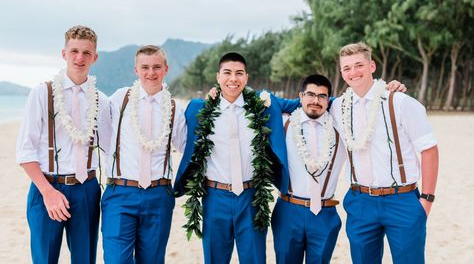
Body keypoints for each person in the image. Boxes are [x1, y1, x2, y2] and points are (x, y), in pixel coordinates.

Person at [174, 52, 299, 264]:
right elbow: (181, 140)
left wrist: (346, 98)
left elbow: (302, 102)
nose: (233, 79)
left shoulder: (264, 104)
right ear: (218, 76)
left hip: (252, 196)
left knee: (255, 258)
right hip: (214, 196)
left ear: (247, 78)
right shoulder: (198, 108)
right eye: (227, 73)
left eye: (239, 73)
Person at [331, 42, 439, 264]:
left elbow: (429, 150)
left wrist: (426, 200)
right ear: (341, 73)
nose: (353, 72)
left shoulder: (400, 102)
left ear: (372, 66)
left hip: (402, 200)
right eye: (347, 68)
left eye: (359, 65)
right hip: (360, 202)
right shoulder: (337, 107)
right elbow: (309, 106)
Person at [16, 25, 111, 263]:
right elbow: (25, 150)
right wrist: (48, 192)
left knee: (85, 259)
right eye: (75, 51)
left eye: (87, 53)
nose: (80, 58)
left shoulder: (102, 101)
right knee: (44, 258)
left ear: (95, 57)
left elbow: (112, 146)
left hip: (87, 189)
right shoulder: (42, 93)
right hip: (46, 186)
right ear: (64, 53)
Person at [101, 45, 186, 264]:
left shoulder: (174, 108)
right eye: (145, 67)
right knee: (116, 260)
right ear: (136, 70)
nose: (151, 72)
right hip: (120, 193)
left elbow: (187, 148)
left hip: (159, 195)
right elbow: (99, 132)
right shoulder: (120, 99)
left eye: (157, 67)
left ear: (166, 69)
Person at [271, 74, 347, 264]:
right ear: (300, 96)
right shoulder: (283, 123)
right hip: (288, 210)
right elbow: (260, 98)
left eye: (322, 96)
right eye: (310, 94)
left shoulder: (341, 125)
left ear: (329, 100)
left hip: (325, 212)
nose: (316, 100)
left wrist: (390, 89)